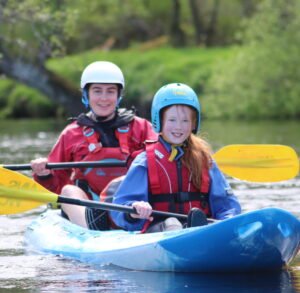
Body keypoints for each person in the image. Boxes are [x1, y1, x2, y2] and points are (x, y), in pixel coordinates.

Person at [31, 61, 157, 230]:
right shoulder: (71, 134)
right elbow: (55, 189)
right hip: (89, 208)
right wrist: (44, 174)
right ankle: (91, 231)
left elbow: (161, 166)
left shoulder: (141, 128)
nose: (104, 98)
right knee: (68, 191)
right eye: (97, 91)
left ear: (119, 95)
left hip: (132, 205)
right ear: (86, 95)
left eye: (110, 91)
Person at [110, 83, 241, 233]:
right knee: (172, 223)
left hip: (200, 231)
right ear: (159, 121)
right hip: (159, 232)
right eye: (172, 120)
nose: (178, 127)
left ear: (193, 124)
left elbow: (227, 206)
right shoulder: (144, 162)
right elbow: (120, 209)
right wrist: (134, 210)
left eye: (185, 121)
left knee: (208, 224)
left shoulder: (205, 160)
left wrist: (229, 222)